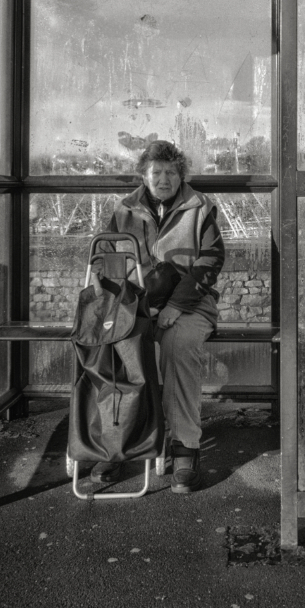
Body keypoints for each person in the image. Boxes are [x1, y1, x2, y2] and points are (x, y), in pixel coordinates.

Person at [89, 140, 225, 493]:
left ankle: (185, 446)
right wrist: (123, 293)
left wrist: (176, 305)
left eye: (171, 172)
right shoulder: (125, 209)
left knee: (178, 345)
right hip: (137, 301)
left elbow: (210, 260)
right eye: (156, 172)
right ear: (144, 175)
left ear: (181, 176)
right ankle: (117, 443)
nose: (164, 179)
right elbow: (107, 256)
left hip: (190, 301)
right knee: (116, 347)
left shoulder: (200, 207)